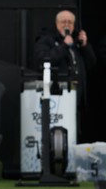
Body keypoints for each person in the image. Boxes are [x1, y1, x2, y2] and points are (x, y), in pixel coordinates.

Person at [33, 10, 96, 142]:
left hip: (77, 101)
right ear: (56, 24)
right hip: (57, 102)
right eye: (63, 22)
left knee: (75, 136)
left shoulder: (76, 43)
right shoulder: (47, 39)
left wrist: (85, 45)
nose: (67, 25)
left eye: (70, 22)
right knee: (58, 139)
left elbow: (92, 64)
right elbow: (43, 60)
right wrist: (64, 46)